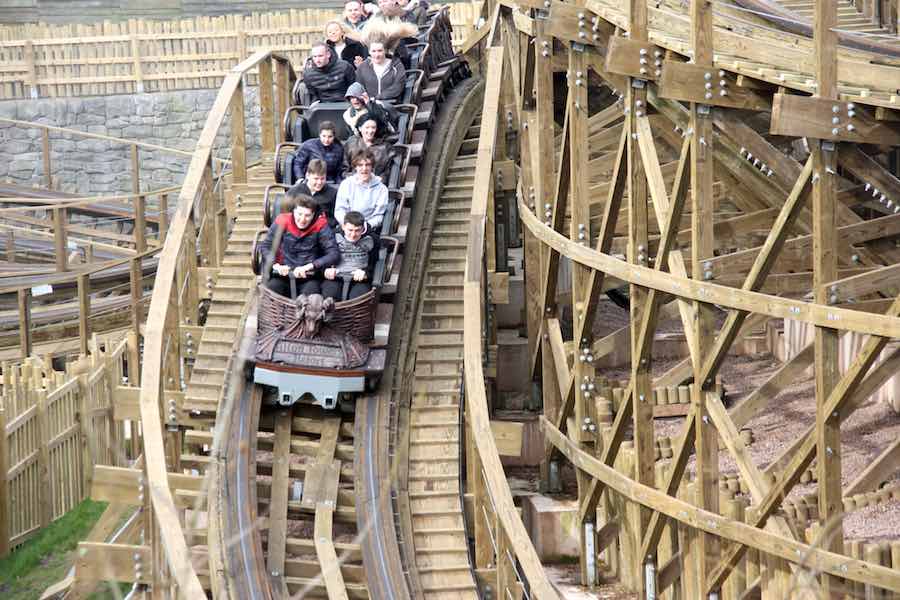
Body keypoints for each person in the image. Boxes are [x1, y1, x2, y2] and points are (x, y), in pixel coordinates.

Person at [258, 193, 339, 297]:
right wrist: (276, 265)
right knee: (272, 291)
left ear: (314, 215)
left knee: (311, 296)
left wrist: (310, 266)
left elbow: (333, 253)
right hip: (283, 273)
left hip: (309, 275)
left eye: (307, 215)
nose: (302, 219)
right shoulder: (282, 220)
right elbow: (266, 246)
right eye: (299, 214)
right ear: (293, 211)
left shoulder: (320, 225)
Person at [322, 211, 378, 300]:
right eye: (350, 230)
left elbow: (375, 262)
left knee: (358, 298)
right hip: (336, 276)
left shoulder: (372, 239)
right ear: (343, 227)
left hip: (359, 278)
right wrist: (326, 269)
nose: (353, 235)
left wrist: (366, 272)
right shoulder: (333, 236)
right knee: (330, 295)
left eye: (357, 230)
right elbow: (323, 257)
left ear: (363, 228)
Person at [335, 149, 389, 233]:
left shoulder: (382, 189)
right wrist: (348, 226)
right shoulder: (346, 184)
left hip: (368, 230)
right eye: (360, 165)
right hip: (346, 228)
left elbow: (378, 215)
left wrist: (364, 227)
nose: (364, 169)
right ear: (355, 167)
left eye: (367, 165)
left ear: (372, 167)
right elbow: (340, 210)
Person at [292, 159, 339, 227]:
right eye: (316, 179)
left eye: (322, 179)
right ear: (307, 175)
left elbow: (335, 219)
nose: (319, 182)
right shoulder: (294, 192)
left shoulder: (333, 193)